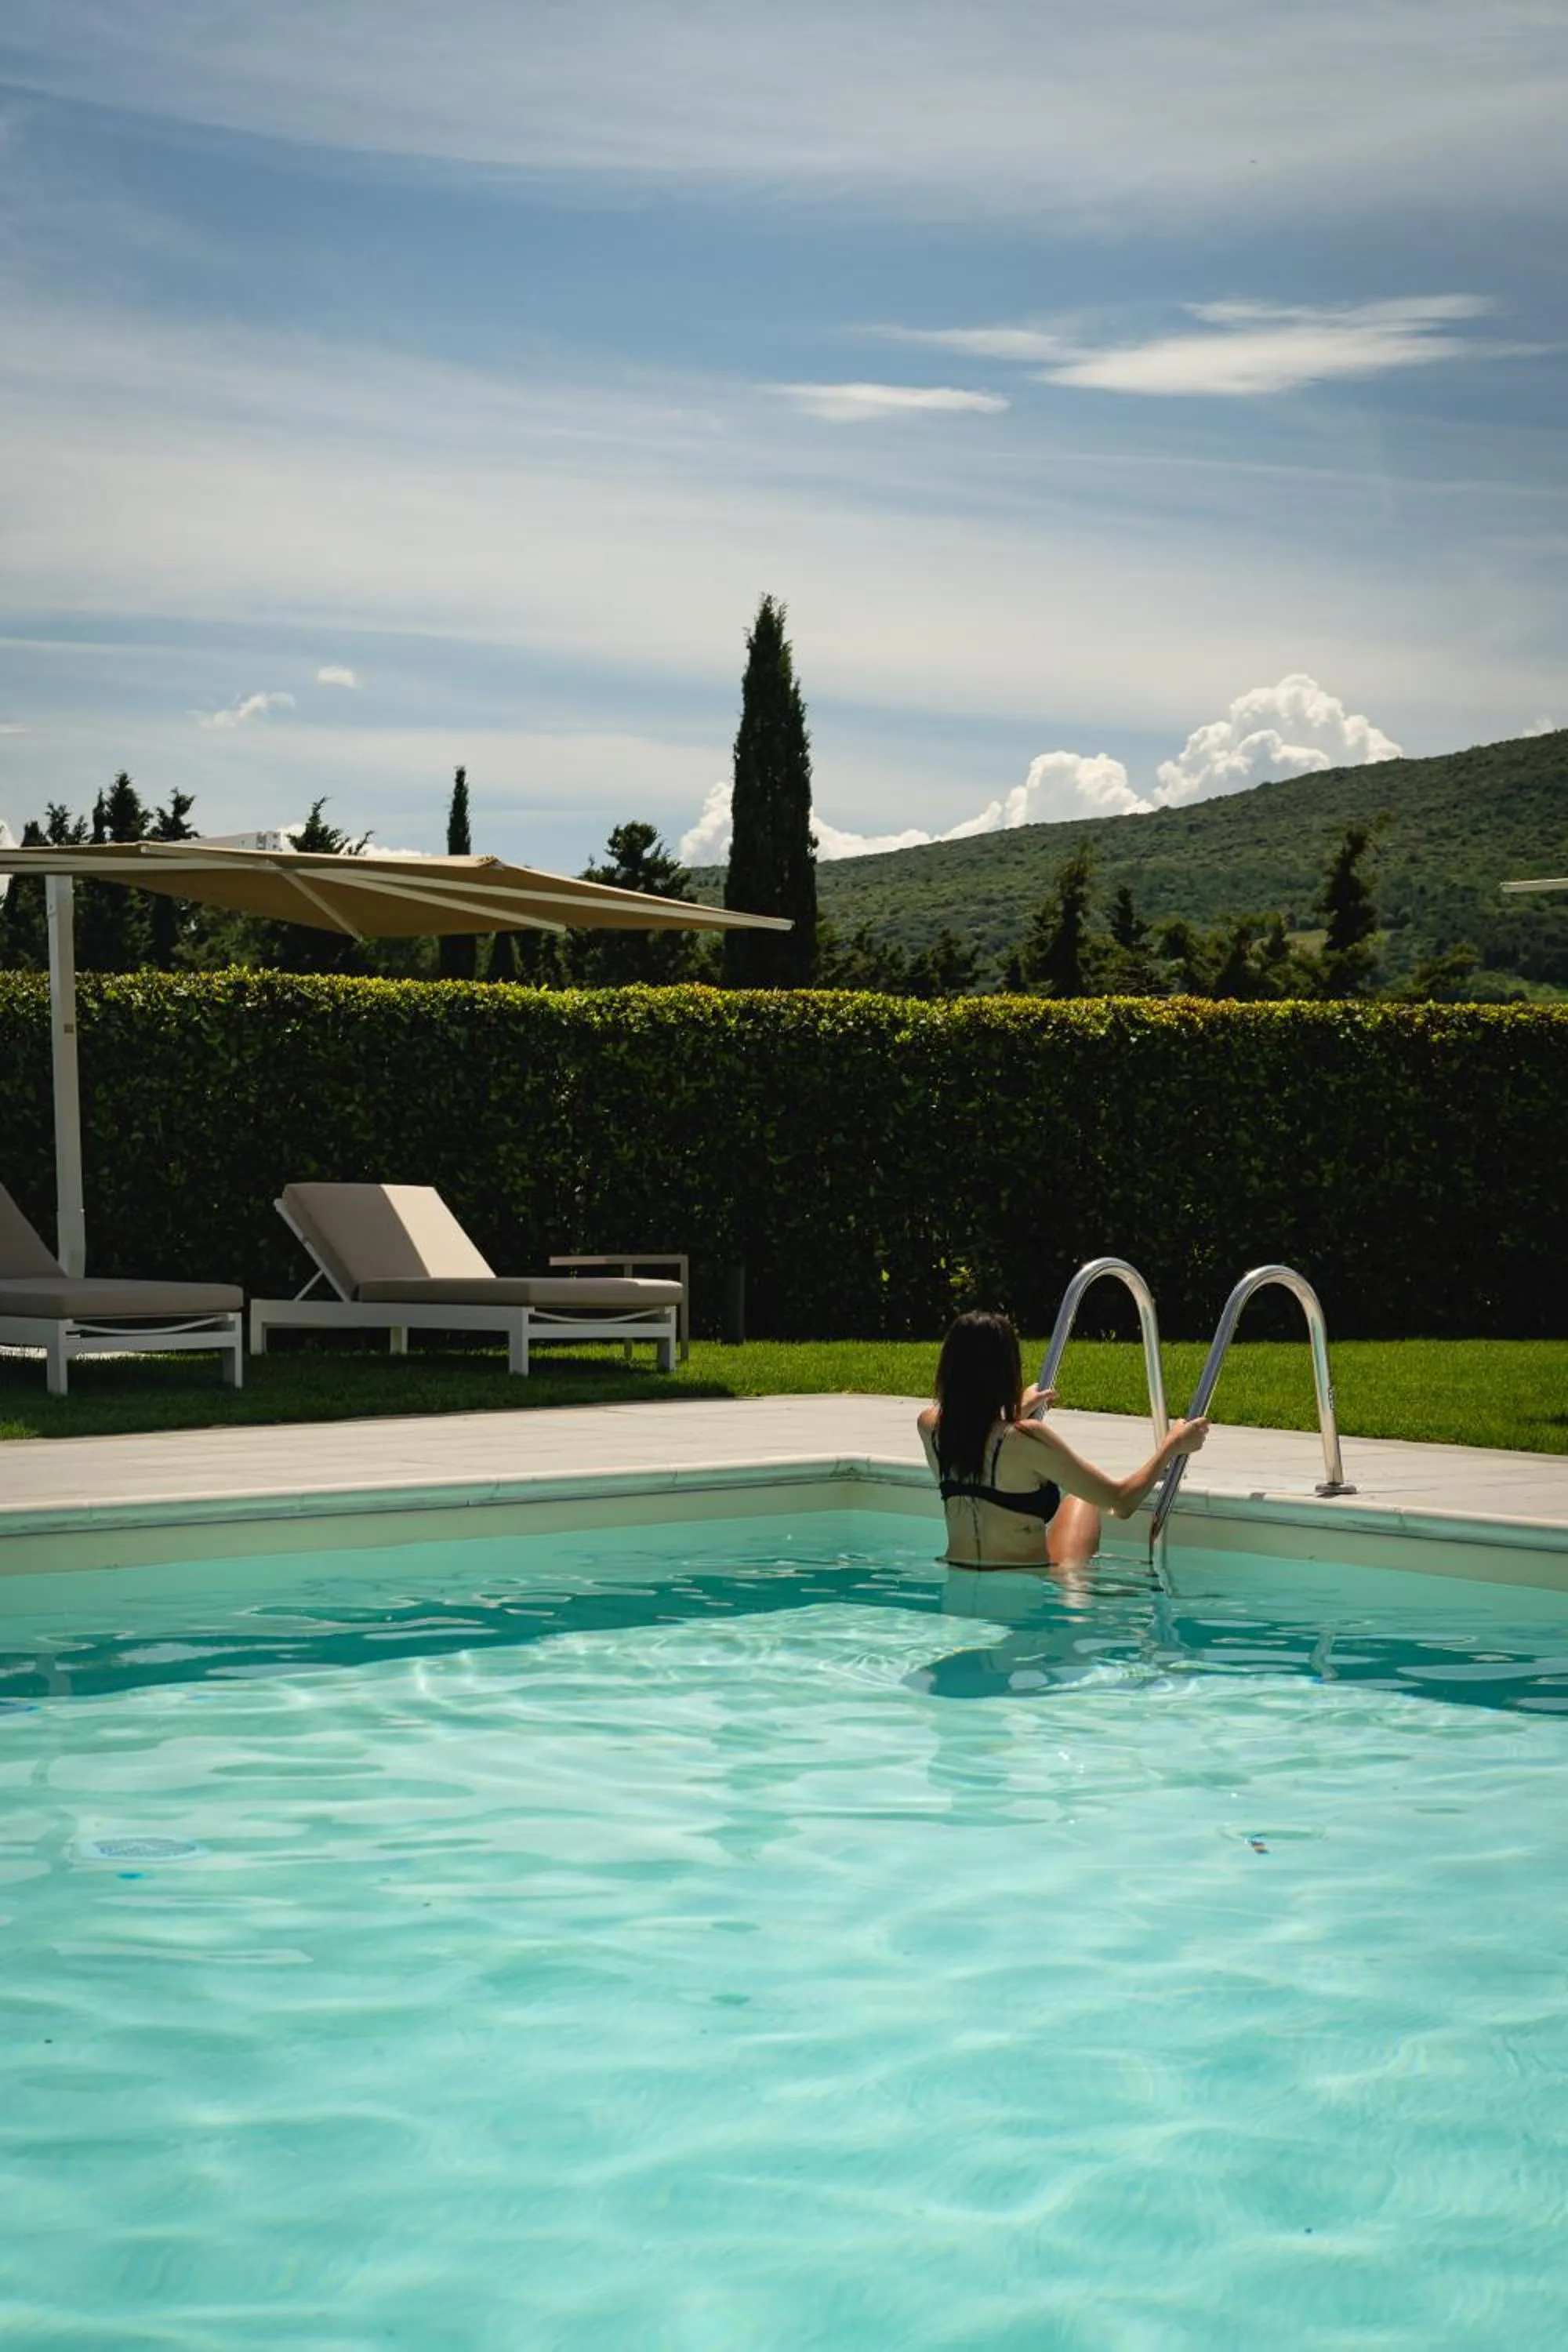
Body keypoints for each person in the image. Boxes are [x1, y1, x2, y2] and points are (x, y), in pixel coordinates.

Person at [917, 1308, 1210, 1570]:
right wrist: (1173, 1445)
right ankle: (1076, 1588)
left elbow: (977, 1431)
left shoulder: (931, 1428)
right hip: (1025, 1589)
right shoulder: (1026, 1440)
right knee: (1082, 1497)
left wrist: (1015, 1409)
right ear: (1008, 1371)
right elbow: (1121, 1502)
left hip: (956, 1575)